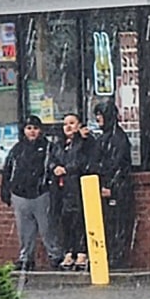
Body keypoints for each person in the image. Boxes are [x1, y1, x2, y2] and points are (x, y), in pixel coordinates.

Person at [0, 116, 60, 271]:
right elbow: (8, 170)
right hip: (19, 194)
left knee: (47, 228)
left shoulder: (48, 147)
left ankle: (55, 256)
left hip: (41, 193)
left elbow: (53, 166)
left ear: (40, 130)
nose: (32, 132)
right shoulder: (17, 149)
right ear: (24, 130)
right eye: (29, 128)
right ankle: (26, 258)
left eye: (35, 128)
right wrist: (6, 190)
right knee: (24, 230)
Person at [49, 113, 96, 271]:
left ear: (79, 125)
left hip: (77, 187)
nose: (68, 127)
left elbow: (83, 162)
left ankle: (82, 252)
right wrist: (54, 168)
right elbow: (51, 160)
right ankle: (69, 251)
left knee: (79, 221)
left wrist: (67, 169)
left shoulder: (84, 143)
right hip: (61, 190)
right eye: (65, 124)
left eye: (72, 123)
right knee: (65, 221)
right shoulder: (59, 144)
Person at [93, 101, 134, 270]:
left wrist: (110, 186)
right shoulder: (107, 136)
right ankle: (112, 256)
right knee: (110, 224)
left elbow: (117, 165)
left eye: (100, 115)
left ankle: (116, 258)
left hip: (116, 189)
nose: (97, 119)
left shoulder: (117, 138)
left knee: (116, 224)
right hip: (111, 186)